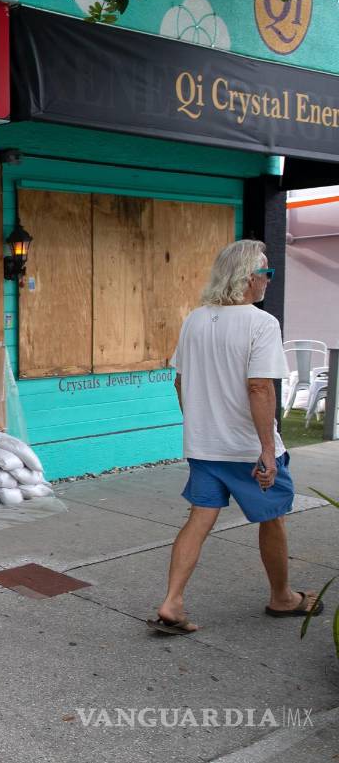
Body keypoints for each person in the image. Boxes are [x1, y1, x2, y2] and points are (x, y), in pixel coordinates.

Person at [148, 239, 322, 635]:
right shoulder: (261, 323)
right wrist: (266, 450)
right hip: (247, 450)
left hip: (205, 447)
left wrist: (199, 425)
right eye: (267, 273)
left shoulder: (194, 319)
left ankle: (172, 601)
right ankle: (282, 597)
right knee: (272, 519)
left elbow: (180, 381)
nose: (269, 282)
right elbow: (260, 387)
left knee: (198, 519)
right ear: (248, 278)